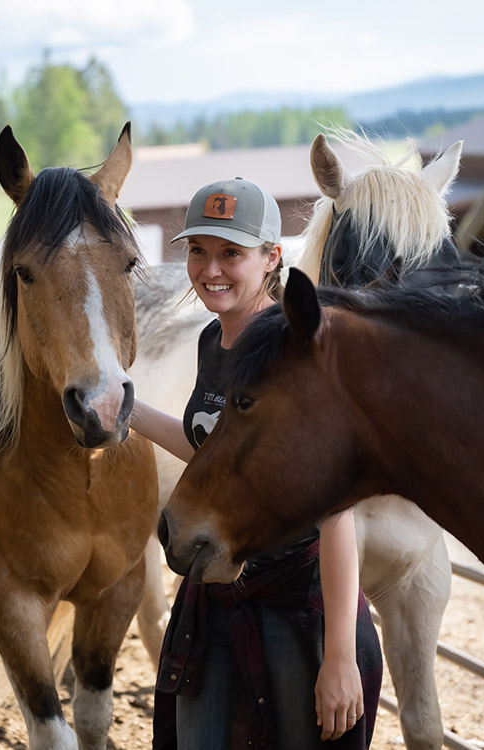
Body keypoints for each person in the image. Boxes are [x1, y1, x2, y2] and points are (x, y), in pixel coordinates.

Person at [131, 177, 382, 750]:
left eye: (230, 254)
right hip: (216, 587)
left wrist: (339, 652)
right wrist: (130, 412)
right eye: (198, 250)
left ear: (272, 257)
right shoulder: (213, 343)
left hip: (294, 608)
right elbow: (223, 459)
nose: (209, 269)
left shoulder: (295, 347)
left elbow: (334, 510)